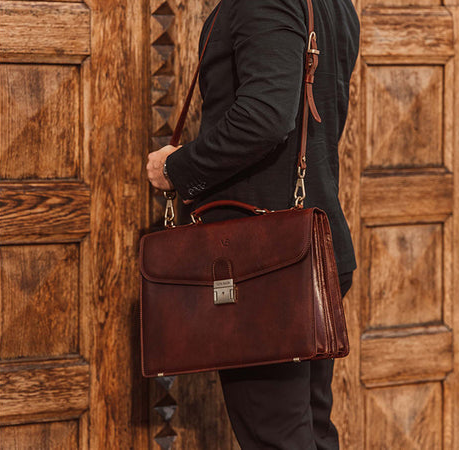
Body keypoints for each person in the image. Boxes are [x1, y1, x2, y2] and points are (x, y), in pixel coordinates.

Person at [145, 0, 358, 448]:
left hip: (266, 266)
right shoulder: (335, 3)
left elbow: (265, 117)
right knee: (312, 431)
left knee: (279, 437)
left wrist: (177, 169)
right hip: (305, 250)